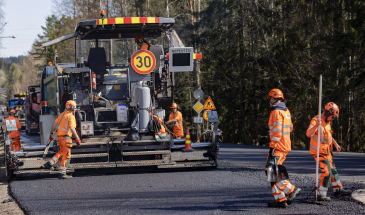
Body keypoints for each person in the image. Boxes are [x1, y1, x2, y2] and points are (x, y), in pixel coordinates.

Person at [306, 102, 352, 201]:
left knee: (333, 170)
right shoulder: (316, 120)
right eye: (333, 117)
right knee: (327, 172)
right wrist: (316, 126)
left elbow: (329, 136)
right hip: (319, 152)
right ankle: (321, 194)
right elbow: (308, 134)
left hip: (327, 152)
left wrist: (335, 143)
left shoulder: (327, 122)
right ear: (327, 113)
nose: (333, 119)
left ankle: (338, 190)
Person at [265, 89, 301, 208]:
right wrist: (270, 126)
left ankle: (291, 190)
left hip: (278, 146)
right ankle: (280, 200)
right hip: (285, 145)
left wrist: (272, 146)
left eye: (270, 98)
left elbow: (277, 131)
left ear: (275, 99)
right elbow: (289, 127)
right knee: (274, 171)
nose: (269, 100)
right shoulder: (286, 111)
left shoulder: (275, 112)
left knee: (269, 170)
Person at [42, 100, 81, 179]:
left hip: (59, 137)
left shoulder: (61, 115)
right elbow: (72, 129)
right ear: (72, 107)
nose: (76, 109)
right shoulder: (71, 116)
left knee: (62, 152)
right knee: (67, 156)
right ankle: (62, 173)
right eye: (75, 107)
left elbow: (54, 124)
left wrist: (51, 134)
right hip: (66, 138)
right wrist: (77, 138)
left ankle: (49, 163)